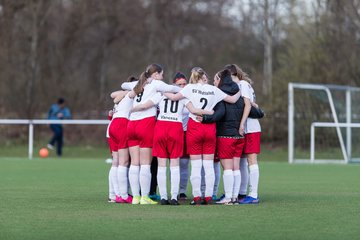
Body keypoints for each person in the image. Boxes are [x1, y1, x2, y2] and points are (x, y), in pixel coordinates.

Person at [164, 67, 241, 205]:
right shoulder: (214, 89)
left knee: (196, 166)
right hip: (209, 129)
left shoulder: (189, 88)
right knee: (208, 166)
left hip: (195, 128)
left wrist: (160, 90)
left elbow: (174, 97)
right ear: (204, 77)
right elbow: (233, 99)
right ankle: (208, 196)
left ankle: (197, 196)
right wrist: (240, 89)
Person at [122, 63, 181, 205]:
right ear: (155, 75)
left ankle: (135, 197)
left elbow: (124, 85)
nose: (162, 77)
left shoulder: (138, 83)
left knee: (134, 164)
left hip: (131, 125)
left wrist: (136, 87)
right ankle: (144, 197)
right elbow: (172, 88)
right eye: (161, 74)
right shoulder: (156, 84)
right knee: (145, 165)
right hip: (145, 124)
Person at [226, 64, 261, 204]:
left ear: (234, 75)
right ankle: (241, 192)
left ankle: (253, 194)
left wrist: (241, 123)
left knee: (251, 160)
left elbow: (248, 104)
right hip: (243, 129)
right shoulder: (238, 86)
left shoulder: (243, 84)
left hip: (250, 128)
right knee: (240, 161)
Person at [105, 77, 136, 203]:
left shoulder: (122, 95)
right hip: (122, 124)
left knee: (116, 162)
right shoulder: (131, 94)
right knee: (124, 162)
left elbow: (113, 95)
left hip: (112, 125)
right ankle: (123, 195)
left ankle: (114, 194)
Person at [173, 72, 190, 200]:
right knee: (172, 164)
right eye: (180, 84)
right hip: (173, 132)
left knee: (184, 163)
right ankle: (172, 191)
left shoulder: (191, 96)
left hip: (187, 134)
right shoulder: (169, 96)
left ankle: (182, 191)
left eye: (184, 83)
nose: (183, 86)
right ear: (174, 85)